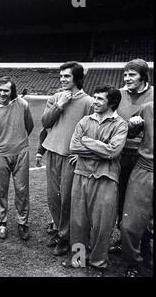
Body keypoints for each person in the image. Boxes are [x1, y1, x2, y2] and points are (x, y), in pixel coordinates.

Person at [68, 85, 127, 273]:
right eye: (94, 97)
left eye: (100, 99)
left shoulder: (120, 125)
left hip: (106, 178)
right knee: (78, 222)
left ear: (112, 102)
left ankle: (98, 262)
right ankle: (79, 259)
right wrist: (100, 148)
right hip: (81, 175)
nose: (94, 101)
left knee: (103, 224)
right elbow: (73, 147)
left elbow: (112, 152)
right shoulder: (85, 120)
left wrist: (86, 141)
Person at [41, 61, 93, 256]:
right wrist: (60, 105)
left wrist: (81, 153)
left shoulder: (88, 102)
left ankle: (65, 237)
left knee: (67, 199)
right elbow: (45, 122)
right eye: (61, 76)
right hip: (53, 151)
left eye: (67, 76)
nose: (62, 80)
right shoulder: (56, 97)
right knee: (52, 197)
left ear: (77, 79)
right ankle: (60, 230)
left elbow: (93, 129)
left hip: (71, 156)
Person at [109, 58, 154, 254]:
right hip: (121, 154)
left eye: (132, 74)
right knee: (121, 200)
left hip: (143, 158)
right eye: (125, 74)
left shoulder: (153, 96)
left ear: (143, 76)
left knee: (142, 204)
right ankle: (124, 239)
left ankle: (143, 242)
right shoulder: (118, 95)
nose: (127, 78)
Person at [0, 77, 34, 241]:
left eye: (6, 90)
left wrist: (18, 140)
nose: (2, 93)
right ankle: (2, 223)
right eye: (0, 90)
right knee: (1, 190)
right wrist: (0, 144)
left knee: (22, 190)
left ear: (12, 91)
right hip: (0, 153)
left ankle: (22, 223)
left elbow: (29, 126)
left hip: (20, 152)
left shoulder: (22, 105)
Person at [121, 101, 153, 277]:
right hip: (144, 168)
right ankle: (132, 263)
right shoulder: (148, 107)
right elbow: (130, 133)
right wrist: (132, 126)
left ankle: (147, 252)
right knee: (130, 223)